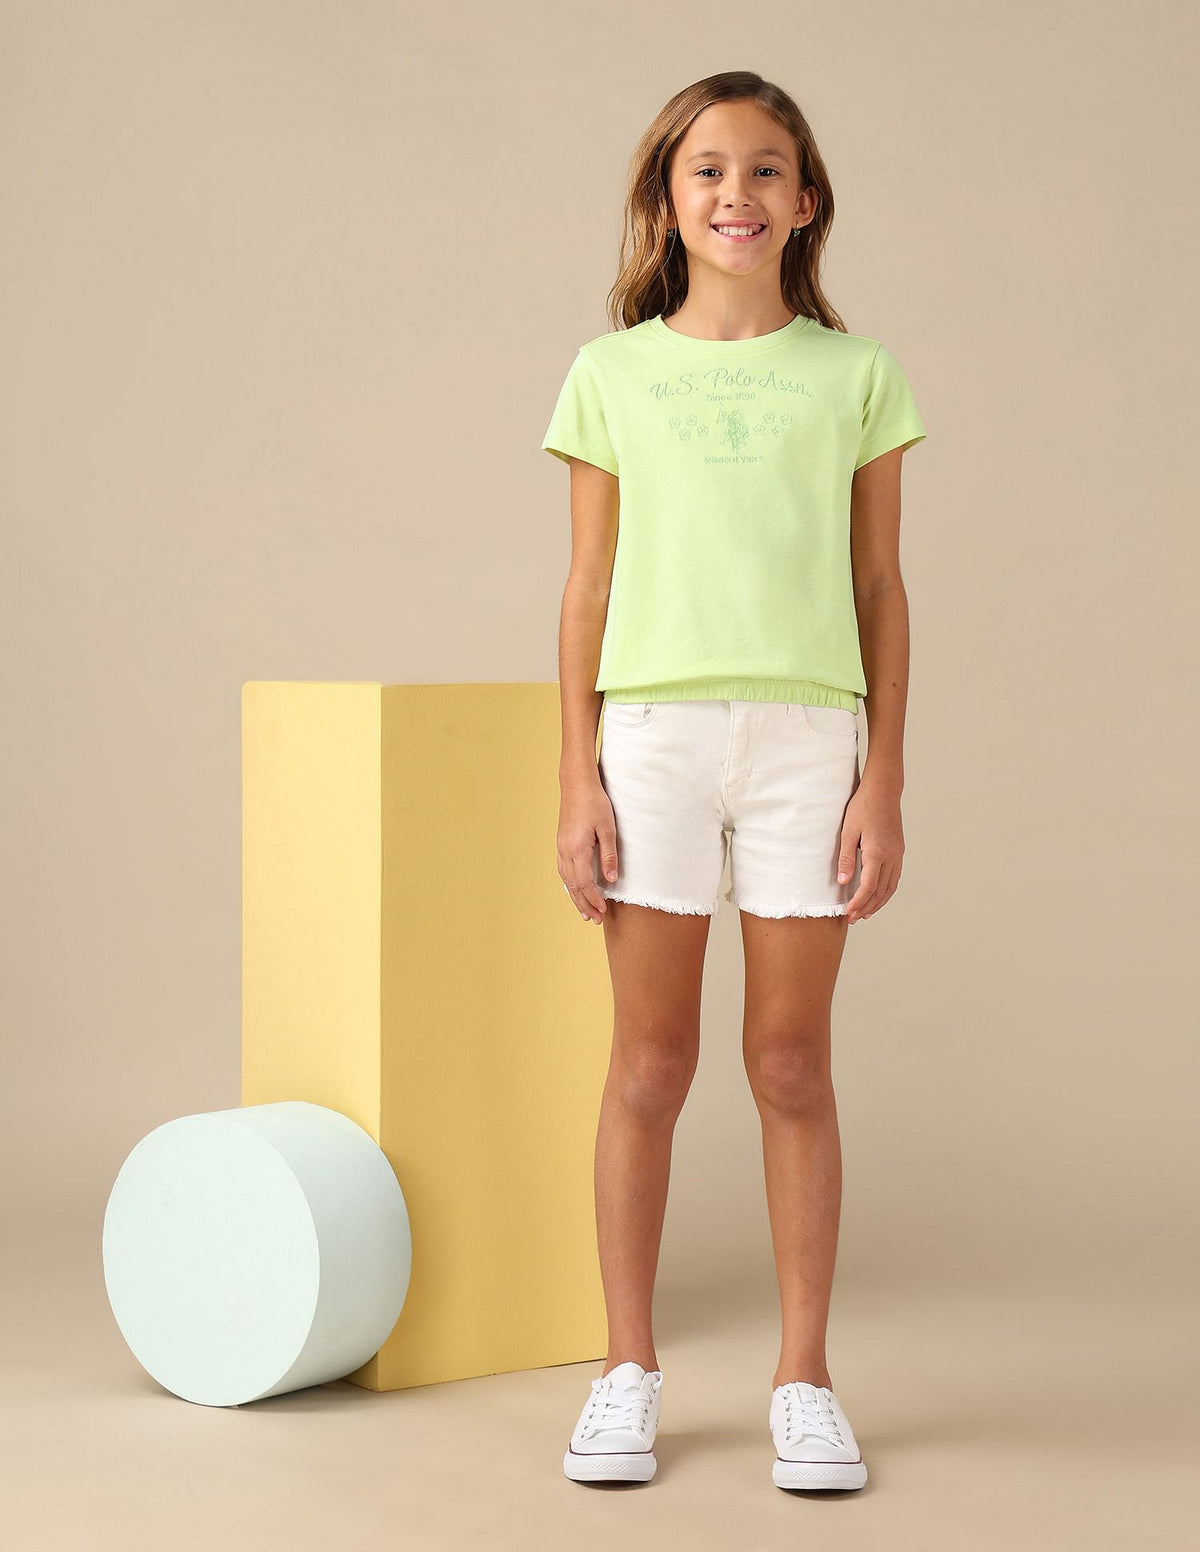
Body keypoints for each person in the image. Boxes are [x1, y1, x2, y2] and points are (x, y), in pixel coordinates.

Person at [542, 70, 927, 1492]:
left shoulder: (856, 375)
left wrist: (883, 779)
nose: (737, 194)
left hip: (808, 741)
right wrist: (575, 775)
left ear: (805, 201)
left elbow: (879, 588)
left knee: (790, 1065)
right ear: (669, 199)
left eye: (767, 170)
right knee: (649, 1064)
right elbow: (587, 588)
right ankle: (625, 1370)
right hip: (651, 738)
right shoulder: (611, 374)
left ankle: (804, 1381)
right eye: (708, 169)